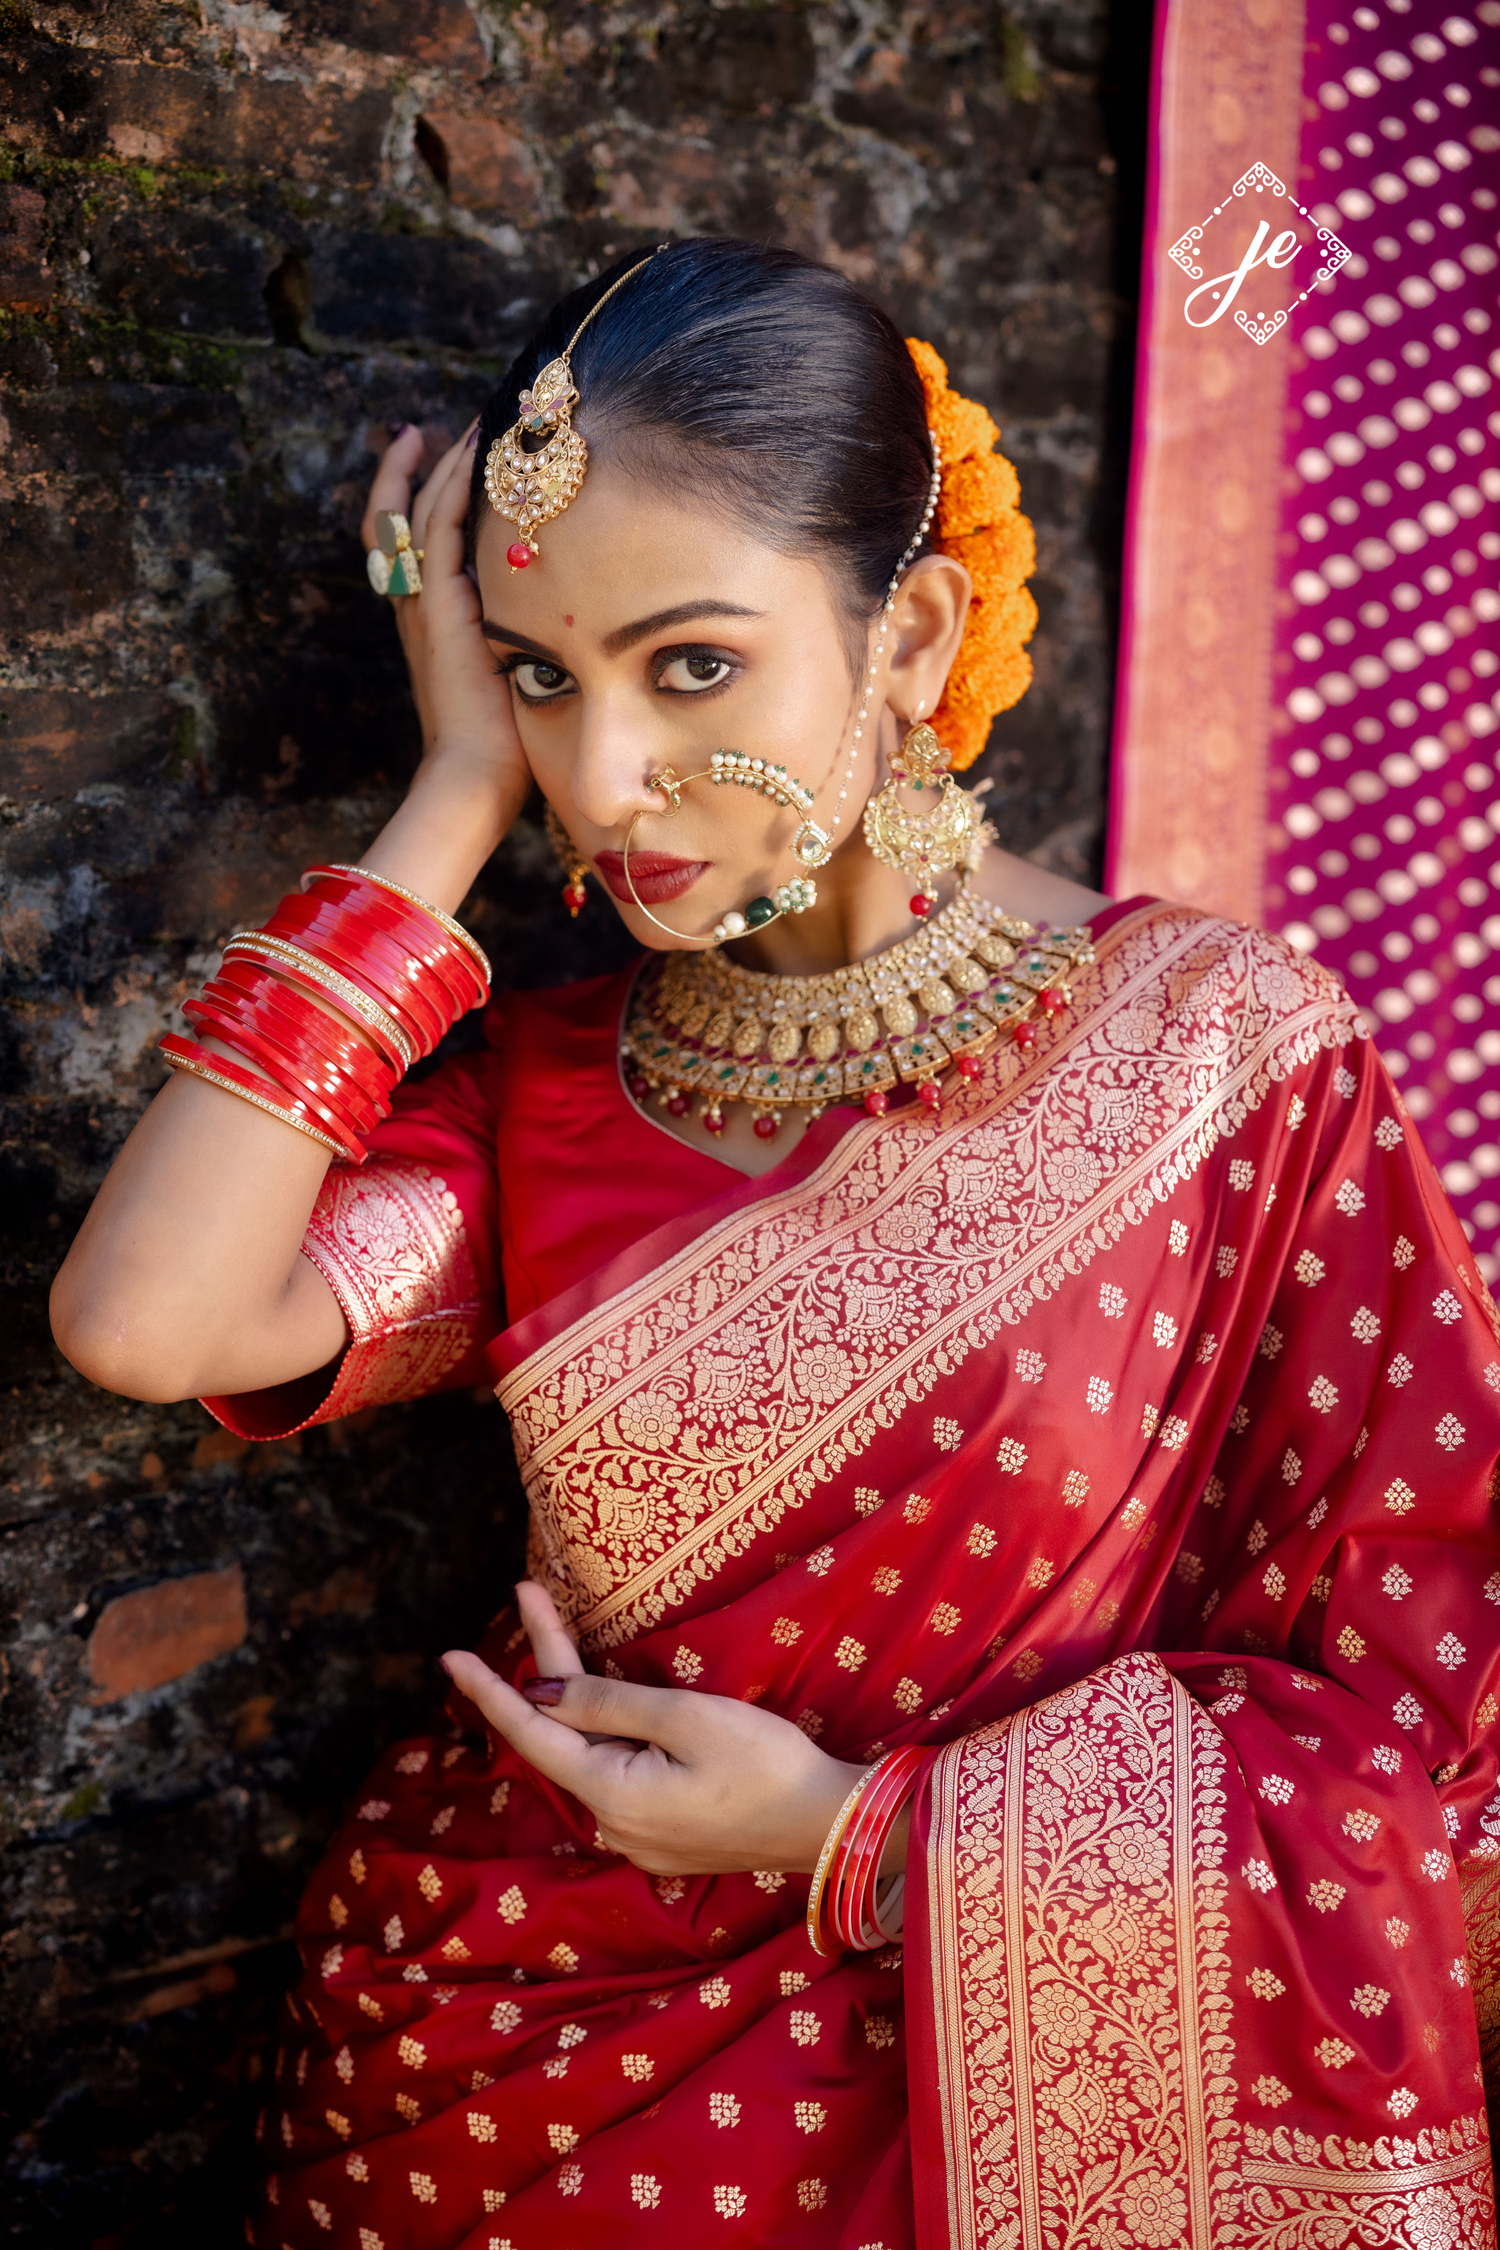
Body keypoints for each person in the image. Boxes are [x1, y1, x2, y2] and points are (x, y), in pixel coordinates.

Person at [50, 237, 1500, 2250]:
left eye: (693, 664)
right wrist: (454, 795)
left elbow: (1425, 1727)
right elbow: (147, 1316)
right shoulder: (546, 1096)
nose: (610, 777)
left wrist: (856, 1831)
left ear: (911, 640)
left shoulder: (1225, 1065)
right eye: (547, 672)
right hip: (510, 2084)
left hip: (1004, 2106)